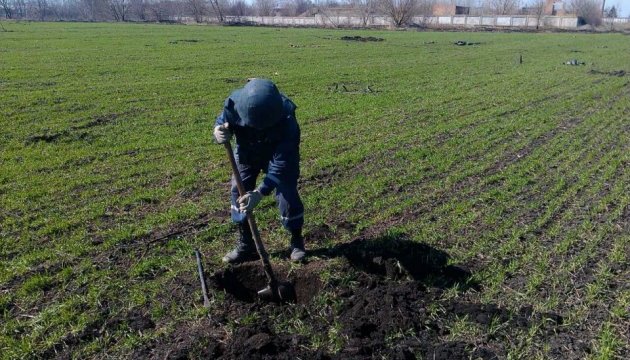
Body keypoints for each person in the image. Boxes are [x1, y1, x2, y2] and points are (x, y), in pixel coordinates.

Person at [213, 78, 306, 263]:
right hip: (248, 151)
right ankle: (247, 245)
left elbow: (282, 165)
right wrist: (217, 131)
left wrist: (260, 192)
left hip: (277, 156)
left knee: (286, 192)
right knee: (237, 190)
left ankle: (296, 241)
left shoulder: (287, 119)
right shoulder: (234, 103)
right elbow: (223, 121)